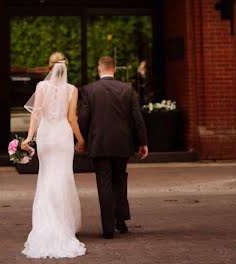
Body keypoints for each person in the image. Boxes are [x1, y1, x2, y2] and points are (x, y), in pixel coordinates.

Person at [20, 51, 87, 259]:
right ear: (66, 67)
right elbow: (72, 118)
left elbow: (36, 115)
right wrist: (81, 139)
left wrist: (29, 138)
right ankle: (64, 223)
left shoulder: (42, 87)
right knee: (64, 177)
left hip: (47, 137)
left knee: (47, 177)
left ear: (49, 67)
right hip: (63, 137)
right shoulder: (72, 90)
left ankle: (46, 223)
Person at [78, 55, 148, 239]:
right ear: (114, 69)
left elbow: (83, 119)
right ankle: (121, 221)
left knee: (104, 183)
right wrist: (143, 142)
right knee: (120, 180)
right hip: (122, 143)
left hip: (99, 143)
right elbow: (137, 118)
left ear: (99, 69)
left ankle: (108, 228)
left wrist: (80, 140)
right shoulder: (127, 89)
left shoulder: (89, 90)